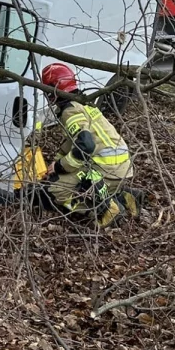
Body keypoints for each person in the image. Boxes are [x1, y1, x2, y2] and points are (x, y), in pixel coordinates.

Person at [39, 62, 141, 227]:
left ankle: (106, 209)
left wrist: (59, 167)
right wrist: (56, 162)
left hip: (106, 169)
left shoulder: (69, 111)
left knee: (55, 189)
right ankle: (126, 197)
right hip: (121, 166)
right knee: (70, 175)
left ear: (52, 90)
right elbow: (73, 140)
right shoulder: (84, 103)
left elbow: (85, 146)